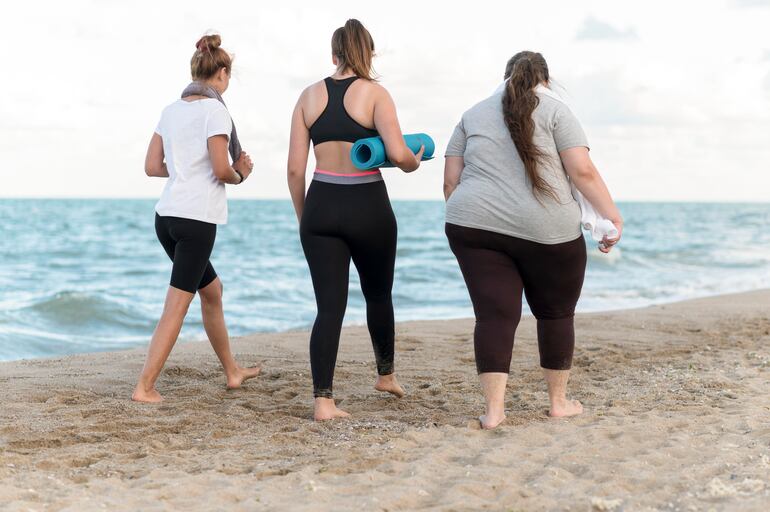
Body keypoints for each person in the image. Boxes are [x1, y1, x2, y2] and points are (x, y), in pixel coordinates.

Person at [443, 51, 623, 429]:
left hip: (473, 227)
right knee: (555, 312)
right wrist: (611, 216)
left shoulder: (472, 114)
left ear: (504, 76)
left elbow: (450, 182)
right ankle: (558, 403)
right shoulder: (558, 111)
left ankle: (494, 412)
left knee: (493, 315)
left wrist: (485, 217)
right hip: (549, 232)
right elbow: (583, 171)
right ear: (546, 79)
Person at [287, 19, 425, 421]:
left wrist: (305, 218)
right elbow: (399, 153)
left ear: (334, 55)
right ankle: (386, 375)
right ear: (369, 54)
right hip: (367, 204)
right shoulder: (376, 94)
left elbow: (295, 171)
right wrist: (413, 163)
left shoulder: (307, 97)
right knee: (378, 294)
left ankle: (323, 402)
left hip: (321, 204)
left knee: (329, 308)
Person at [133, 34, 260, 403]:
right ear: (221, 73)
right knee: (178, 303)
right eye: (228, 76)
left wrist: (185, 170)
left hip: (167, 218)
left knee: (212, 291)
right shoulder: (215, 111)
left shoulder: (170, 110)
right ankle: (145, 387)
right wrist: (242, 172)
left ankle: (232, 371)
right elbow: (222, 170)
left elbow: (152, 167)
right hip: (195, 221)